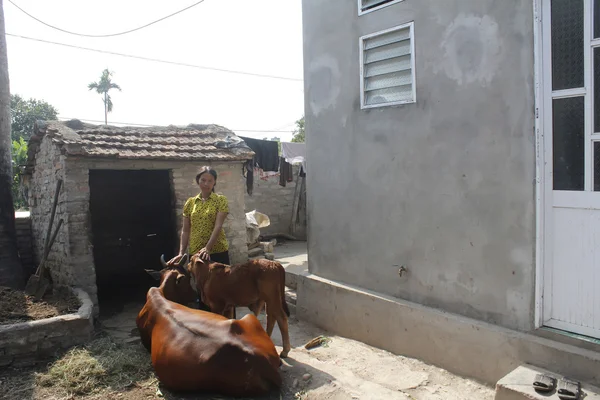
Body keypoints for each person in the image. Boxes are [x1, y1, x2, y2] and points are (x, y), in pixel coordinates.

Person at [167, 166, 231, 310]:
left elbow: (218, 226)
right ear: (198, 181)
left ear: (215, 183)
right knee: (202, 291)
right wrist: (181, 252)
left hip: (217, 251)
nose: (206, 183)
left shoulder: (220, 200)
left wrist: (208, 248)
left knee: (222, 291)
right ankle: (206, 324)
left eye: (210, 180)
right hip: (197, 255)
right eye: (203, 180)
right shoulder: (190, 203)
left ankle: (227, 327)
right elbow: (185, 230)